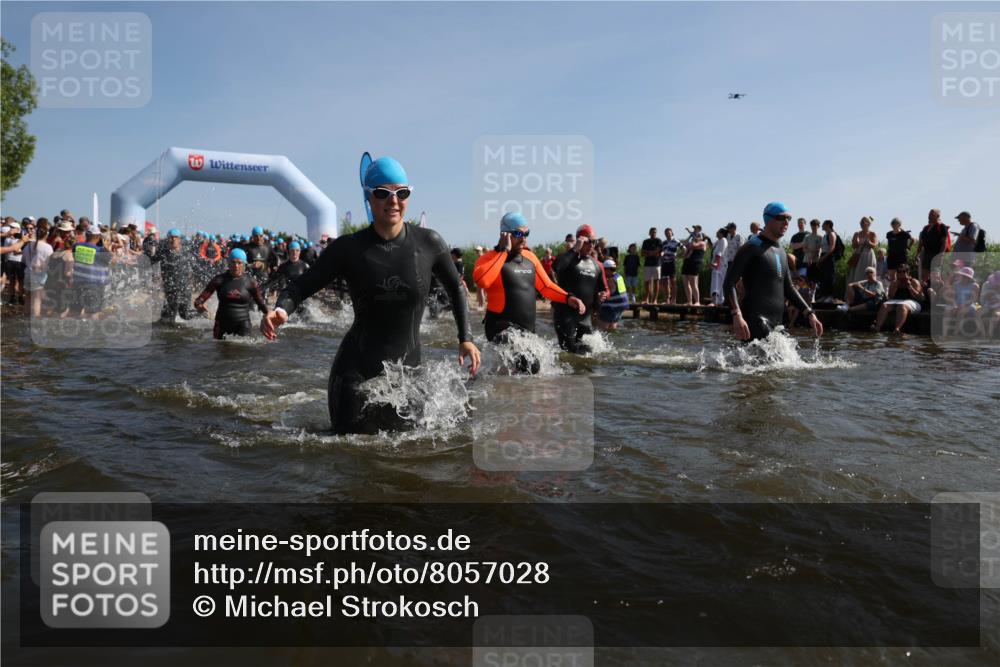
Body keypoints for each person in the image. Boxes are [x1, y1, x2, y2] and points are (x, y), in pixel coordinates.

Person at [261, 156, 479, 434]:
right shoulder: (348, 248)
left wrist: (466, 339)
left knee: (405, 457)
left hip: (408, 378)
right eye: (382, 193)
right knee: (350, 459)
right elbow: (301, 286)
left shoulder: (429, 243)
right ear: (369, 197)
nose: (393, 201)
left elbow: (457, 288)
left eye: (402, 193)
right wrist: (281, 309)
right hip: (355, 377)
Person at [473, 212, 584, 373]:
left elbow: (546, 287)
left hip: (526, 331)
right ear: (504, 234)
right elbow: (482, 281)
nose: (524, 238)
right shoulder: (489, 258)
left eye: (526, 233)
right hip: (500, 327)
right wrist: (503, 252)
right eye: (518, 233)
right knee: (529, 365)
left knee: (528, 371)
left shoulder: (529, 257)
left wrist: (567, 297)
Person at [724, 202, 823, 341]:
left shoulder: (781, 252)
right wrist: (736, 315)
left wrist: (809, 312)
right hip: (755, 321)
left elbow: (788, 287)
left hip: (777, 324)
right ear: (768, 219)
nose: (786, 222)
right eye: (781, 218)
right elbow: (729, 283)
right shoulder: (751, 247)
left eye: (789, 218)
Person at [551, 224, 609, 354]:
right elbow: (557, 266)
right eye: (589, 242)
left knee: (588, 354)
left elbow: (605, 290)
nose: (592, 245)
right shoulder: (567, 259)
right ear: (580, 240)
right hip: (565, 315)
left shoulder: (597, 265)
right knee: (569, 352)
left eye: (594, 242)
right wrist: (575, 249)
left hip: (585, 318)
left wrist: (602, 297)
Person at [194, 248, 271, 339]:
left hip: (243, 324)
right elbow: (200, 299)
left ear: (244, 264)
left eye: (239, 263)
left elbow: (261, 303)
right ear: (228, 263)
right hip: (221, 324)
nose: (236, 266)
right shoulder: (219, 280)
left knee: (244, 349)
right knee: (218, 350)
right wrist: (199, 305)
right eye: (233, 262)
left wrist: (269, 317)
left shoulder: (250, 282)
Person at [151, 228, 195, 323]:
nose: (173, 240)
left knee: (185, 315)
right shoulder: (163, 252)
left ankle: (203, 314)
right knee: (167, 317)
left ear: (179, 239)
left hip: (184, 289)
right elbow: (151, 261)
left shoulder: (186, 253)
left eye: (175, 237)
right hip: (170, 289)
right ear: (167, 239)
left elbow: (196, 268)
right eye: (171, 238)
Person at [70, 228, 112, 319]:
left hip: (77, 283)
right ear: (98, 237)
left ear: (87, 236)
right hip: (94, 285)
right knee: (93, 313)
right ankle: (92, 332)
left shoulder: (76, 246)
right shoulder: (101, 250)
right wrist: (105, 246)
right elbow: (112, 261)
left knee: (74, 311)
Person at [873, 263, 924, 333]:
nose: (901, 274)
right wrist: (896, 286)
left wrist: (910, 287)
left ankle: (897, 329)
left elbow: (918, 297)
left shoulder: (914, 281)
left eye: (904, 271)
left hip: (912, 301)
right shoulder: (895, 282)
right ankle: (877, 328)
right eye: (899, 272)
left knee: (902, 306)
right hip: (896, 301)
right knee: (884, 305)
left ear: (908, 272)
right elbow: (890, 296)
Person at [22, 219, 53, 317]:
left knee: (28, 297)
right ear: (46, 235)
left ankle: (26, 317)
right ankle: (36, 319)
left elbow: (23, 260)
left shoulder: (28, 245)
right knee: (37, 298)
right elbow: (50, 263)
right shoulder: (48, 247)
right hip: (39, 276)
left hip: (27, 274)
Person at [844, 217, 878, 300]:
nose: (862, 224)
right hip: (858, 255)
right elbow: (853, 246)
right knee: (856, 274)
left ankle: (869, 295)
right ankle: (855, 296)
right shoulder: (857, 233)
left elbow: (874, 245)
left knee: (868, 274)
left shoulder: (872, 233)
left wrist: (869, 242)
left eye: (864, 222)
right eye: (861, 222)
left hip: (868, 256)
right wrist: (856, 242)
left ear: (868, 224)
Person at [916, 209, 950, 283]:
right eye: (929, 214)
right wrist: (917, 254)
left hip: (936, 254)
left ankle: (937, 291)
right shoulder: (926, 228)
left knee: (935, 275)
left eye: (931, 214)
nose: (929, 216)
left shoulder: (941, 227)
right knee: (924, 276)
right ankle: (924, 292)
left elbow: (944, 242)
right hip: (927, 254)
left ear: (937, 216)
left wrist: (941, 255)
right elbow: (921, 243)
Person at [597, 259, 630, 330]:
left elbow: (608, 294)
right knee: (612, 326)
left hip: (612, 306)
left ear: (608, 270)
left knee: (601, 328)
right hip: (621, 306)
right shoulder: (619, 276)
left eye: (603, 269)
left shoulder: (611, 280)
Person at [680, 229, 707, 306]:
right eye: (695, 235)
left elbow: (692, 246)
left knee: (693, 283)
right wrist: (690, 236)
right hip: (687, 262)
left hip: (695, 263)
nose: (696, 236)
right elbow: (685, 244)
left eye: (698, 235)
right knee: (685, 282)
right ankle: (689, 301)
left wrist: (690, 242)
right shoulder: (692, 242)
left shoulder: (702, 243)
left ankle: (697, 301)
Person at [815, 220, 839, 300]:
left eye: (823, 224)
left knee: (829, 277)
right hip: (823, 257)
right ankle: (824, 296)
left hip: (828, 258)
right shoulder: (825, 235)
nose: (822, 226)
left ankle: (830, 296)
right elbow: (822, 247)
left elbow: (832, 248)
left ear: (828, 225)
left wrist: (823, 258)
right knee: (823, 277)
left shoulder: (832, 234)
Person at [659, 228, 681, 304]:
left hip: (672, 263)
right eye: (666, 233)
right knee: (665, 282)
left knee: (673, 281)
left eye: (669, 232)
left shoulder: (676, 241)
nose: (668, 234)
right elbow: (661, 251)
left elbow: (684, 248)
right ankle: (667, 299)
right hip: (665, 263)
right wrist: (661, 254)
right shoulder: (663, 242)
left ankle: (674, 299)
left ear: (672, 233)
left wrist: (679, 255)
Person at [640, 227, 661, 303]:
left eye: (655, 232)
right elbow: (642, 253)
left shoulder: (658, 241)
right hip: (647, 264)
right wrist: (653, 252)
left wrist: (648, 252)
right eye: (652, 232)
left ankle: (655, 299)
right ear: (649, 233)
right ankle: (647, 299)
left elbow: (659, 251)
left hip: (656, 264)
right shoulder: (646, 241)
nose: (653, 233)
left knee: (656, 282)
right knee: (647, 282)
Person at [709, 228, 728, 306]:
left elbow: (720, 253)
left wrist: (716, 264)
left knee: (716, 283)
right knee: (717, 283)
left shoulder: (723, 240)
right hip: (717, 266)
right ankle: (717, 302)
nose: (716, 232)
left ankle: (715, 302)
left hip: (719, 266)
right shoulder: (718, 241)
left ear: (721, 233)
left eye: (718, 231)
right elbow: (712, 248)